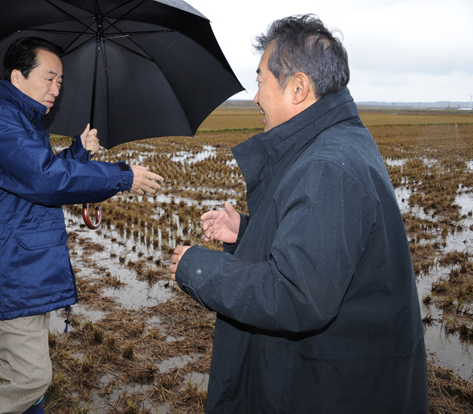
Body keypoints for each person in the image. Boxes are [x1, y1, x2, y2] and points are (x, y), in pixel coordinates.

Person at [169, 15, 428, 413]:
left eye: (260, 82)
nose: (255, 98)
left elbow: (296, 292)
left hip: (335, 392)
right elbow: (323, 252)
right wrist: (246, 233)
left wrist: (199, 269)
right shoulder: (336, 144)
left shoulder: (329, 165)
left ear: (298, 88)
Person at [0, 37, 163, 414]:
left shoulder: (15, 119)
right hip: (6, 268)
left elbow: (26, 178)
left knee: (29, 379)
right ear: (17, 76)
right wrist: (120, 177)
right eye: (49, 78)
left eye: (60, 81)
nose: (56, 90)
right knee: (29, 378)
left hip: (21, 263)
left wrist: (78, 152)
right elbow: (44, 180)